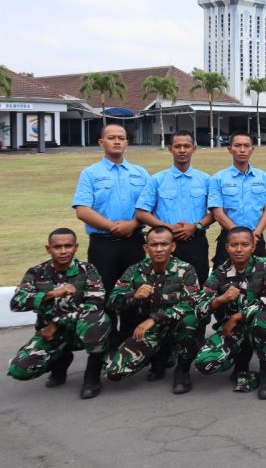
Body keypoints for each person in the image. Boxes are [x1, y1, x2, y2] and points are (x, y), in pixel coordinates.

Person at [7, 228, 110, 399]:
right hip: (50, 335)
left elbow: (95, 304)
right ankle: (60, 361)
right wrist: (51, 294)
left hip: (80, 330)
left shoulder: (88, 270)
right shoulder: (36, 272)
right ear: (48, 249)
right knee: (19, 370)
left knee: (98, 321)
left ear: (76, 247)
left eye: (68, 246)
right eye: (57, 247)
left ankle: (92, 377)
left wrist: (55, 324)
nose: (63, 251)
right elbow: (16, 303)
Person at [71, 123, 149, 344]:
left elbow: (148, 206)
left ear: (127, 142)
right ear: (101, 143)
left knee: (135, 292)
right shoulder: (90, 174)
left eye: (121, 137)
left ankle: (130, 341)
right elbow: (82, 209)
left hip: (134, 241)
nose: (117, 141)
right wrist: (112, 226)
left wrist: (132, 225)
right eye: (111, 137)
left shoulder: (140, 173)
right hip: (103, 244)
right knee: (103, 293)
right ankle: (107, 342)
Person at [103, 227, 201, 394]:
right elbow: (112, 302)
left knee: (190, 319)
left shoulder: (186, 269)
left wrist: (155, 319)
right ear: (146, 248)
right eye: (154, 245)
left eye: (164, 244)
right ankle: (157, 358)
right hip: (147, 331)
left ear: (173, 247)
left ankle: (182, 370)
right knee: (114, 372)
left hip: (173, 326)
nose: (159, 249)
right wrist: (134, 295)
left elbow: (191, 303)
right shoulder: (134, 271)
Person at [194, 227, 266, 400]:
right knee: (205, 363)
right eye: (234, 245)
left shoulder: (265, 266)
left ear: (253, 247)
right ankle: (240, 365)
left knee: (265, 319)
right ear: (226, 247)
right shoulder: (220, 273)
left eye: (244, 244)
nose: (239, 249)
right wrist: (219, 300)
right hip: (233, 330)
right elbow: (199, 307)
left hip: (259, 323)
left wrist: (237, 316)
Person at [135, 130, 214, 284]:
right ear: (170, 149)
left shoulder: (206, 180)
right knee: (165, 286)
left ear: (194, 149)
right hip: (166, 244)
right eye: (178, 146)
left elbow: (215, 213)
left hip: (196, 242)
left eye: (187, 146)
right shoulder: (157, 180)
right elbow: (141, 212)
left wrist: (196, 226)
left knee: (199, 284)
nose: (182, 150)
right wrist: (167, 227)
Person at [207, 131, 266, 267]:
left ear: (252, 150)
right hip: (229, 238)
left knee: (259, 280)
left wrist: (256, 234)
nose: (242, 150)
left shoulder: (262, 177)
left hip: (256, 237)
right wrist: (240, 236)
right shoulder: (218, 178)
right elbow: (217, 213)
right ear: (229, 149)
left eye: (246, 146)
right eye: (237, 145)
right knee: (223, 282)